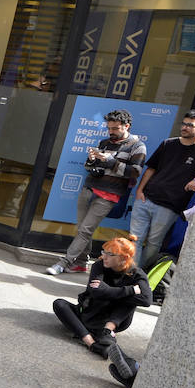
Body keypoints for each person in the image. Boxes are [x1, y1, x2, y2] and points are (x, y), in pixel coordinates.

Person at [46, 109, 146, 275]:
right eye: (109, 128)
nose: (111, 132)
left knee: (85, 230)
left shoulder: (137, 146)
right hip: (89, 188)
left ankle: (63, 263)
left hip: (109, 194)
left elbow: (134, 172)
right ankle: (81, 263)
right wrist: (92, 161)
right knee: (82, 230)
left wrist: (109, 161)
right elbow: (90, 168)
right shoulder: (105, 142)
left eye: (115, 129)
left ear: (126, 126)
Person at [128, 109, 195, 269]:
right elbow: (151, 169)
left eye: (190, 125)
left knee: (154, 244)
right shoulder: (168, 143)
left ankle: (140, 275)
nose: (185, 127)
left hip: (170, 206)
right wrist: (139, 191)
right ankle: (131, 275)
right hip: (146, 198)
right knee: (135, 239)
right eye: (184, 123)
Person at [52, 236, 152, 357]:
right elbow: (95, 292)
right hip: (90, 314)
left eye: (110, 254)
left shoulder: (136, 274)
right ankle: (91, 342)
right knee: (59, 304)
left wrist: (107, 290)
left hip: (114, 319)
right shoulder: (99, 266)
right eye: (104, 252)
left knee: (130, 301)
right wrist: (129, 290)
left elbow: (146, 300)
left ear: (123, 258)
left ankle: (107, 330)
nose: (104, 256)